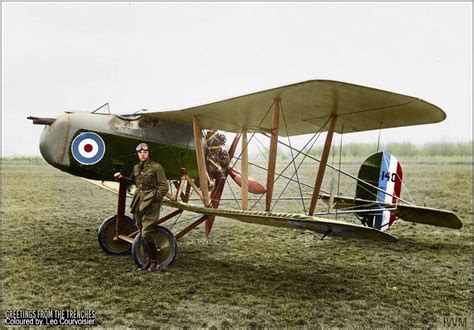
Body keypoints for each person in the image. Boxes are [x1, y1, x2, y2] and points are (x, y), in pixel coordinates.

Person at [114, 143, 169, 272]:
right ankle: (148, 262)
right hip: (138, 200)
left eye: (145, 152)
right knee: (140, 229)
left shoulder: (157, 167)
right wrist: (121, 178)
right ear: (138, 154)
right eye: (140, 153)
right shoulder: (136, 167)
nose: (142, 154)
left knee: (146, 232)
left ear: (149, 153)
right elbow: (131, 181)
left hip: (151, 202)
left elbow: (164, 187)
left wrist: (155, 199)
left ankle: (155, 262)